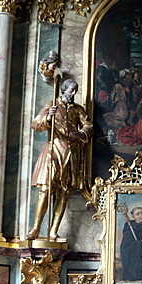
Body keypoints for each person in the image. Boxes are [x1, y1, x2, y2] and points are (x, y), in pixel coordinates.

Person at [25, 79, 93, 242]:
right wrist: (48, 117)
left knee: (64, 193)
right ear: (63, 90)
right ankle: (35, 229)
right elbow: (35, 124)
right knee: (46, 190)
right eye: (71, 90)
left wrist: (81, 133)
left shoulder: (78, 109)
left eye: (76, 90)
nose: (74, 94)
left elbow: (89, 126)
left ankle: (53, 231)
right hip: (53, 151)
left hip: (71, 153)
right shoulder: (52, 105)